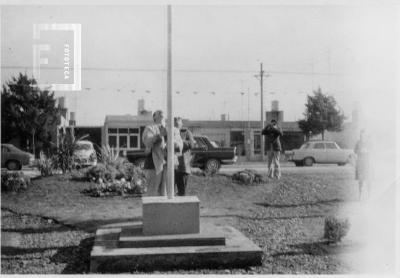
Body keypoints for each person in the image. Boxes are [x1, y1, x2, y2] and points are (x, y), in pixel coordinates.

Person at [142, 110, 183, 196]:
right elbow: (147, 142)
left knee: (168, 193)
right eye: (158, 113)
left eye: (162, 113)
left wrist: (173, 143)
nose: (161, 112)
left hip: (169, 165)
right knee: (153, 192)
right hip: (153, 165)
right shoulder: (149, 128)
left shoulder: (174, 130)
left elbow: (180, 145)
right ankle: (152, 209)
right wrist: (159, 135)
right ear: (154, 117)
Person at [174, 117, 195, 196]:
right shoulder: (170, 132)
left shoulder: (186, 132)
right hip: (172, 166)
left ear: (181, 124)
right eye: (174, 123)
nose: (176, 125)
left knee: (181, 191)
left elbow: (191, 144)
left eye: (178, 123)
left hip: (182, 167)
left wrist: (180, 142)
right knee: (170, 191)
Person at [354, 129, 371, 200]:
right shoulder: (358, 142)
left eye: (364, 134)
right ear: (360, 135)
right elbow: (354, 150)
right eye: (361, 134)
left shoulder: (369, 142)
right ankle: (360, 195)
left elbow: (373, 150)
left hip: (367, 163)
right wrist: (359, 151)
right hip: (360, 163)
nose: (363, 136)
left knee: (368, 179)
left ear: (366, 135)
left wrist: (367, 151)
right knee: (360, 180)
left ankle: (369, 196)